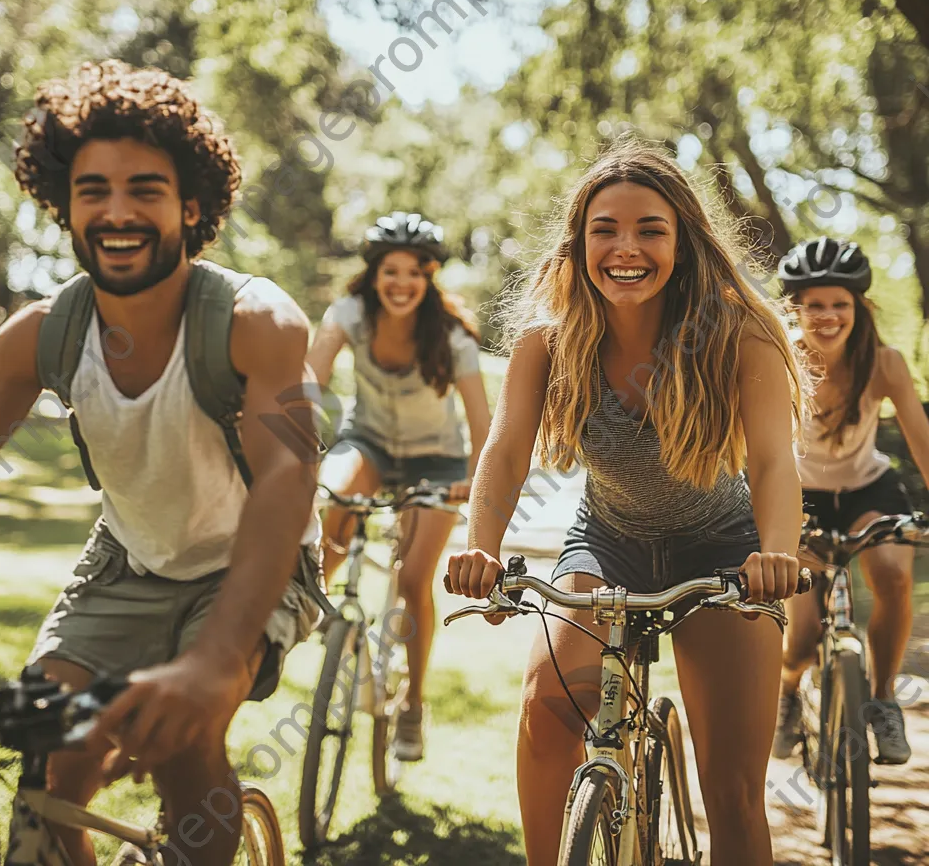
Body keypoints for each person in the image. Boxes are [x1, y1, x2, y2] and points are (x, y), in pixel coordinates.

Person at [0, 61, 322, 866]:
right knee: (53, 752)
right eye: (93, 190)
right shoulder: (41, 335)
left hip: (254, 563)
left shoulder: (256, 321)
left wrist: (209, 664)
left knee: (182, 740)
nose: (117, 211)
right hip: (129, 558)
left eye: (145, 189)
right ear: (64, 206)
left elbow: (287, 477)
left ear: (190, 207)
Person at [445, 143, 808, 866]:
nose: (626, 247)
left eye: (650, 228)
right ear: (578, 243)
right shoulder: (548, 340)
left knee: (733, 792)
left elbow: (772, 460)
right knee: (547, 719)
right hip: (606, 542)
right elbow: (507, 448)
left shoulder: (739, 329)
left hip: (724, 548)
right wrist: (481, 546)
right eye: (605, 228)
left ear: (684, 241)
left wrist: (777, 556)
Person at [307, 211, 491, 761]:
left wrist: (472, 485)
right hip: (369, 444)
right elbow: (307, 382)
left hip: (437, 462)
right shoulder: (349, 315)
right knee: (330, 501)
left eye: (415, 272)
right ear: (373, 273)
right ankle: (313, 610)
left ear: (429, 276)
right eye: (391, 271)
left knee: (413, 579)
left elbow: (484, 427)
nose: (402, 284)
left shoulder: (453, 336)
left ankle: (413, 701)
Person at [772, 236, 929, 765]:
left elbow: (921, 441)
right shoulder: (777, 359)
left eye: (840, 303)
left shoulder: (883, 363)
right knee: (800, 638)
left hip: (868, 489)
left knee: (893, 573)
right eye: (814, 304)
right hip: (799, 495)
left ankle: (883, 699)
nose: (828, 315)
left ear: (859, 307)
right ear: (794, 308)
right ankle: (788, 693)